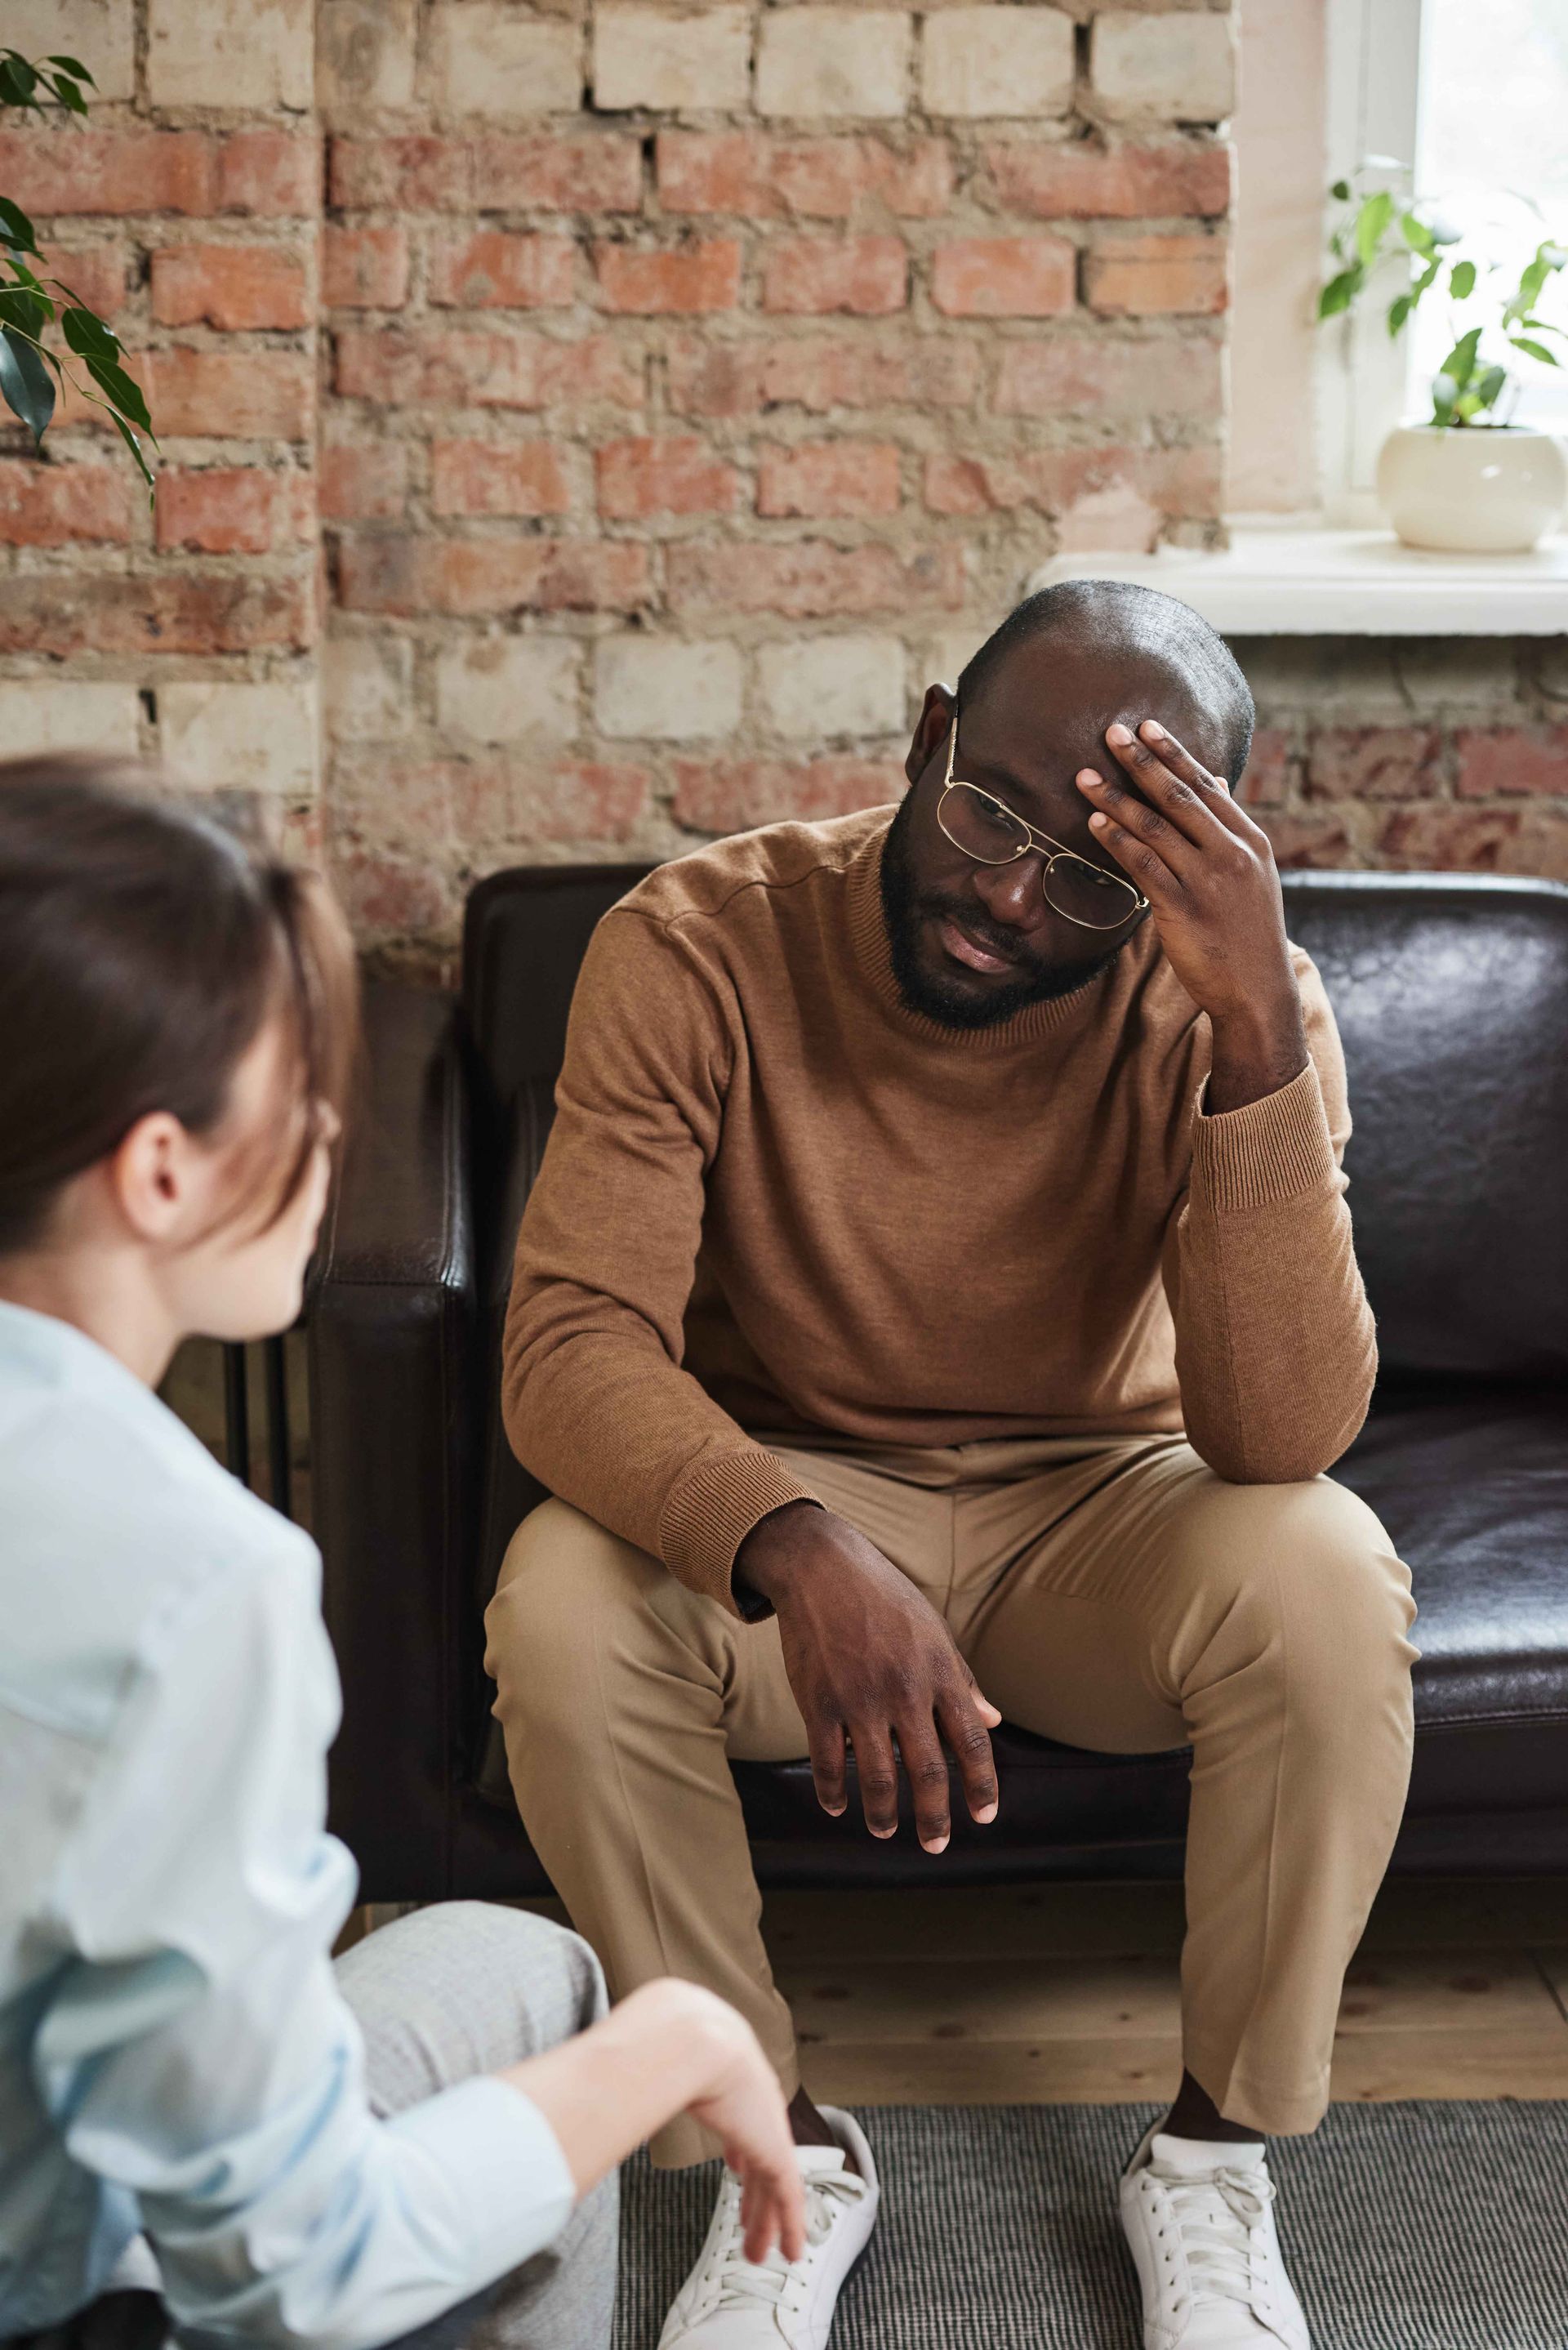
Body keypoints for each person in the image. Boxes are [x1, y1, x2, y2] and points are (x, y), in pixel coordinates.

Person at [484, 581, 1420, 2350]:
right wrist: (799, 1542)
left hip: (1102, 1514)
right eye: (985, 811)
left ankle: (1215, 2160)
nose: (1007, 894)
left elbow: (1281, 1433)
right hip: (796, 1496)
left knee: (1329, 1565)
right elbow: (571, 1347)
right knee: (558, 1601)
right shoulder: (696, 943)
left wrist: (1249, 1040)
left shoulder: (1235, 1002)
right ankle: (777, 2150)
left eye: (1087, 874)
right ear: (924, 740)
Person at [0, 761, 805, 2350]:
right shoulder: (189, 1579)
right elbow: (299, 2269)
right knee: (549, 1981)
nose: (328, 1133)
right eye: (301, 1089)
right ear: (161, 1167)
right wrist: (678, 2036)